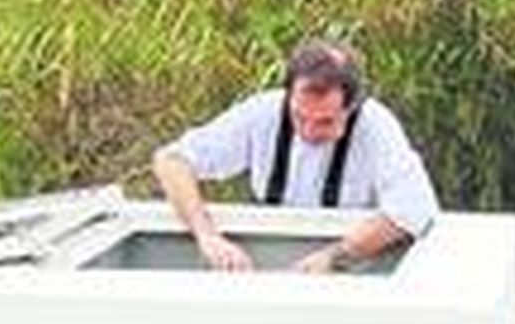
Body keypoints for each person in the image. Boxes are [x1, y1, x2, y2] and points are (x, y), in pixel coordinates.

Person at [152, 38, 439, 272]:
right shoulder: (262, 113)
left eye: (325, 122)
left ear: (351, 107)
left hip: (354, 266)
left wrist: (335, 257)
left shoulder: (375, 125)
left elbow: (414, 209)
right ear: (288, 95)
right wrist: (208, 236)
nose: (309, 131)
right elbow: (171, 161)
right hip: (276, 257)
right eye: (300, 117)